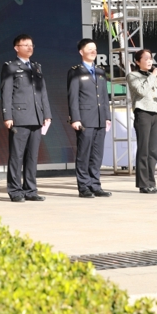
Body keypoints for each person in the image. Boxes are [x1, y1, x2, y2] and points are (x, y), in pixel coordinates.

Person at [0, 34, 51, 202]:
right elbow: (6, 92)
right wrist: (7, 115)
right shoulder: (10, 67)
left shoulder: (36, 67)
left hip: (36, 117)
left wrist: (47, 114)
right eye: (25, 45)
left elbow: (43, 92)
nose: (30, 48)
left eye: (31, 45)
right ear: (16, 48)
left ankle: (30, 190)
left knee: (32, 156)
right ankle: (15, 191)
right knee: (17, 156)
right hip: (19, 116)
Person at [126, 49, 157, 194]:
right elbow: (141, 91)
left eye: (151, 59)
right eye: (146, 59)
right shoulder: (132, 76)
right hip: (143, 113)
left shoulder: (152, 76)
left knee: (153, 150)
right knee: (143, 149)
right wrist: (153, 76)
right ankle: (143, 184)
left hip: (156, 112)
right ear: (138, 61)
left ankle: (151, 182)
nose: (149, 61)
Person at [68, 38, 112, 198]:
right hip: (85, 119)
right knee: (84, 154)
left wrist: (107, 116)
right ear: (81, 52)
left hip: (100, 119)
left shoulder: (100, 71)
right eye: (90, 49)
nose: (94, 52)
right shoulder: (75, 71)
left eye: (95, 49)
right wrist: (75, 118)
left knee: (97, 154)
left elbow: (104, 96)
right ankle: (84, 187)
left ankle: (95, 185)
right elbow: (73, 97)